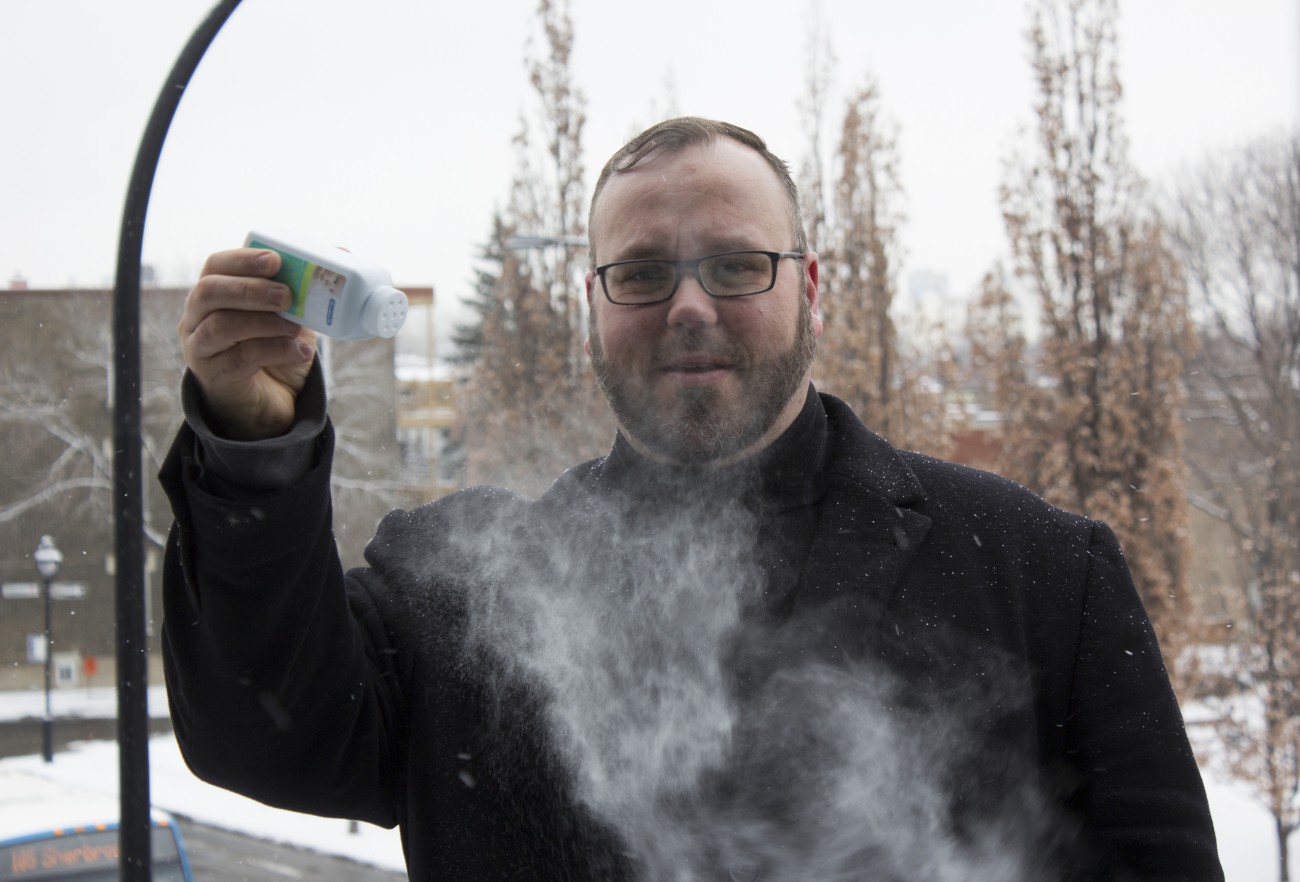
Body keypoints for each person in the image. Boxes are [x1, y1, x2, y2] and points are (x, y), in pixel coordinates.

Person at [160, 117, 1223, 881]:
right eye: (640, 273)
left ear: (810, 289)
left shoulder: (1039, 572)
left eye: (734, 264)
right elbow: (265, 732)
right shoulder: (462, 595)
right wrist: (253, 442)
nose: (687, 307)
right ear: (594, 305)